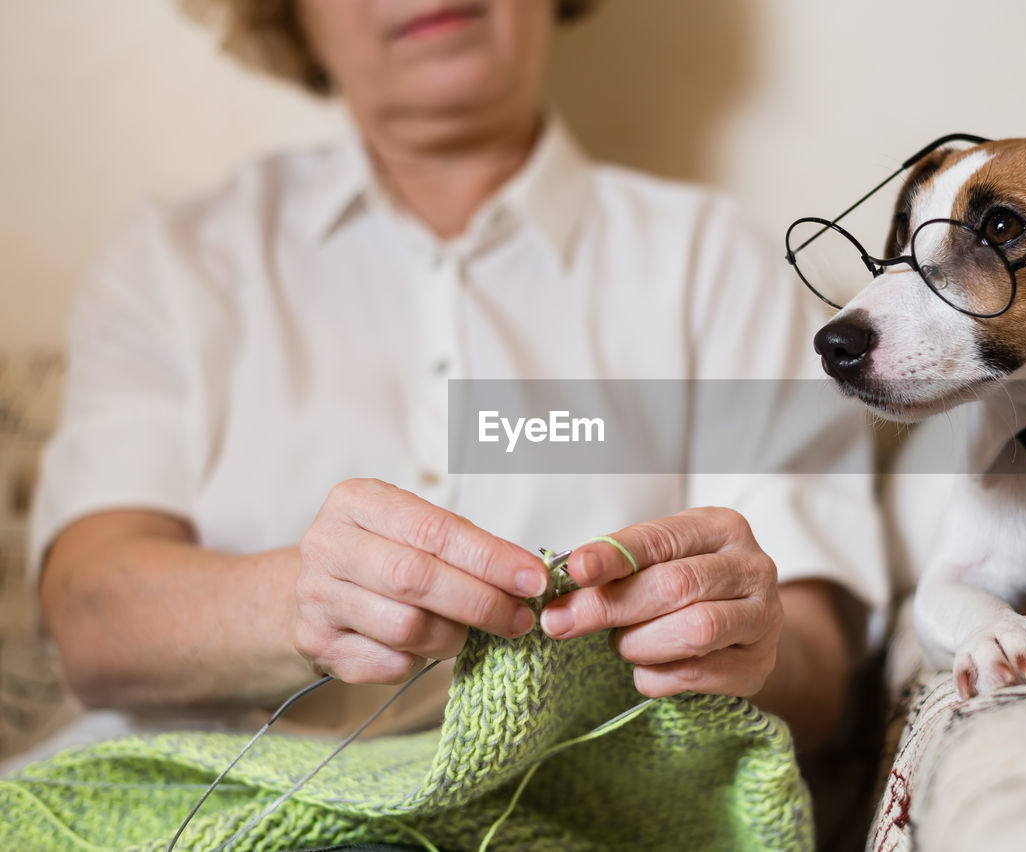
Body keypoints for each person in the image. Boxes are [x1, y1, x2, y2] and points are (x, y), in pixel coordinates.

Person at [27, 0, 886, 766]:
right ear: (289, 15)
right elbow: (90, 620)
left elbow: (813, 667)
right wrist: (300, 600)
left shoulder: (720, 263)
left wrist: (733, 641)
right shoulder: (176, 261)